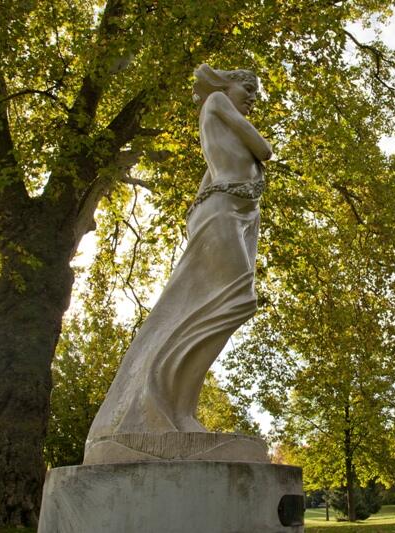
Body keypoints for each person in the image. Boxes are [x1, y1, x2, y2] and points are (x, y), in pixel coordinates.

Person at [83, 65, 271, 462]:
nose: (253, 96)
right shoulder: (218, 101)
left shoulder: (221, 122)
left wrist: (200, 213)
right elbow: (264, 149)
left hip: (234, 212)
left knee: (224, 303)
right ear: (226, 84)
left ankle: (176, 407)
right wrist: (212, 210)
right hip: (224, 212)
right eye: (248, 87)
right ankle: (173, 406)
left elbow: (214, 172)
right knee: (237, 299)